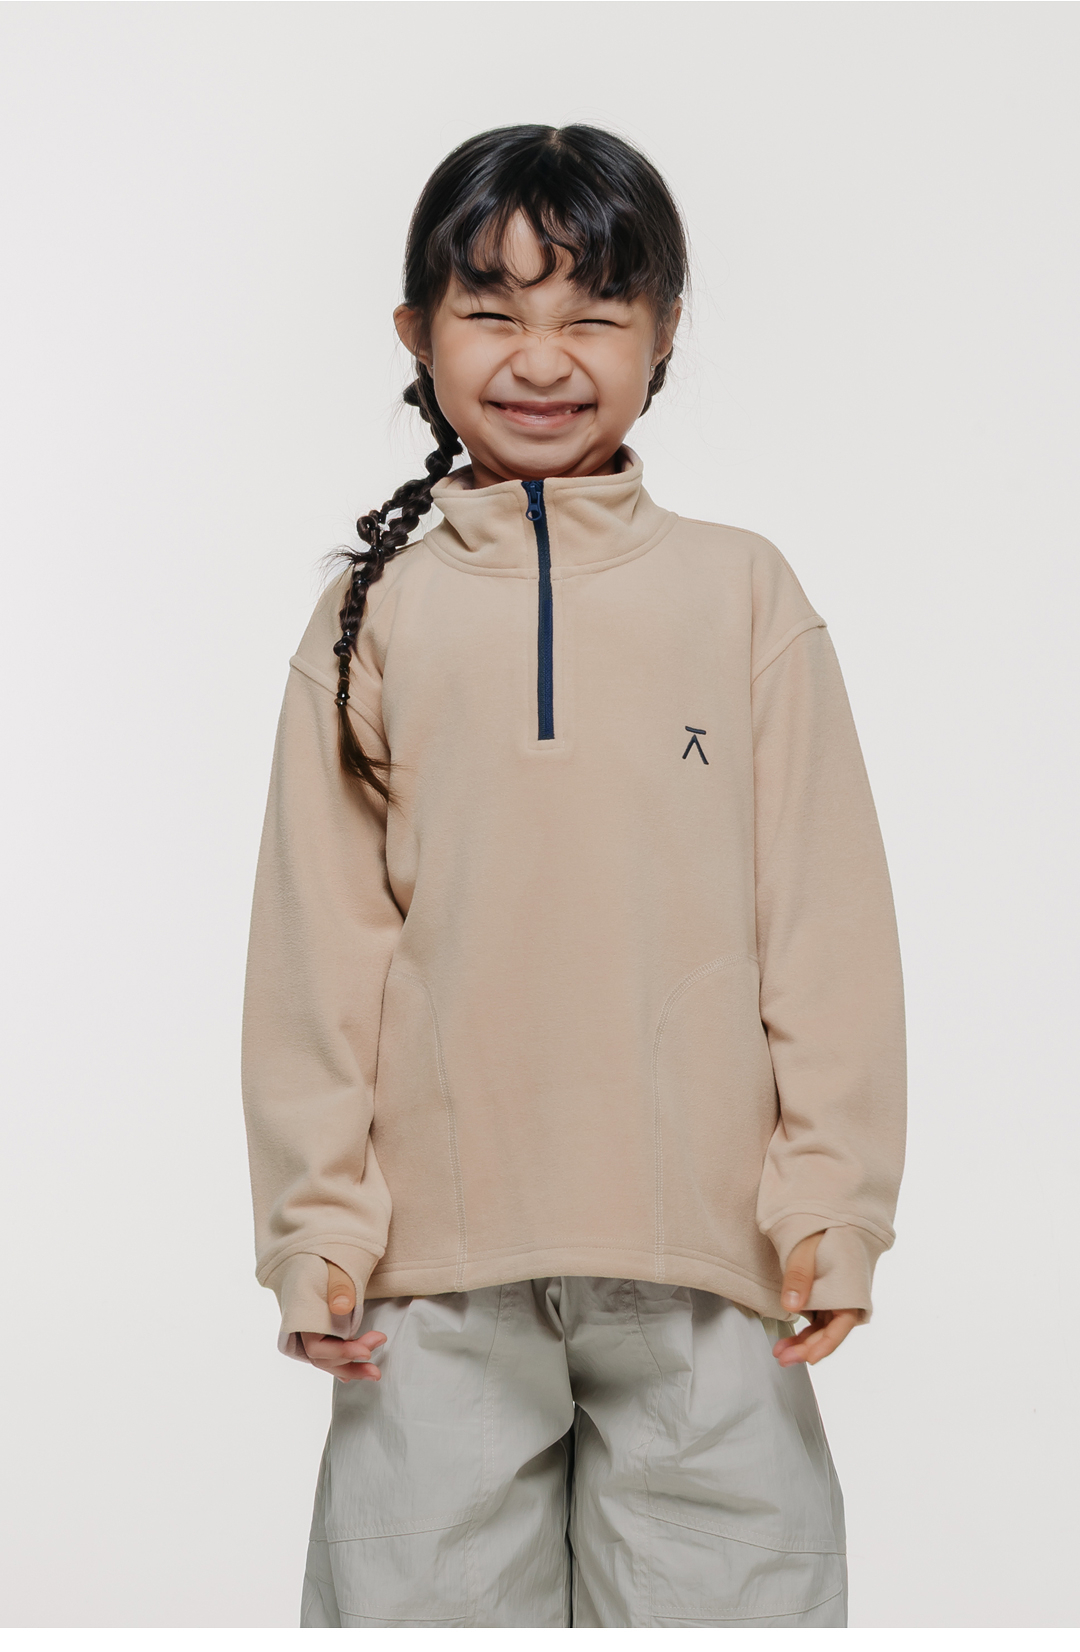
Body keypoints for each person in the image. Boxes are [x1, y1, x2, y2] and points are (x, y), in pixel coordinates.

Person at [240, 123, 906, 1629]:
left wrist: (833, 1199)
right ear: (415, 334)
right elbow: (316, 946)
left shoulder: (741, 592)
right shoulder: (373, 618)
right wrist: (316, 1225)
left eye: (595, 313)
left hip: (709, 1261)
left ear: (664, 333)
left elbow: (824, 921)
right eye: (492, 310)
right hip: (431, 1281)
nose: (542, 358)